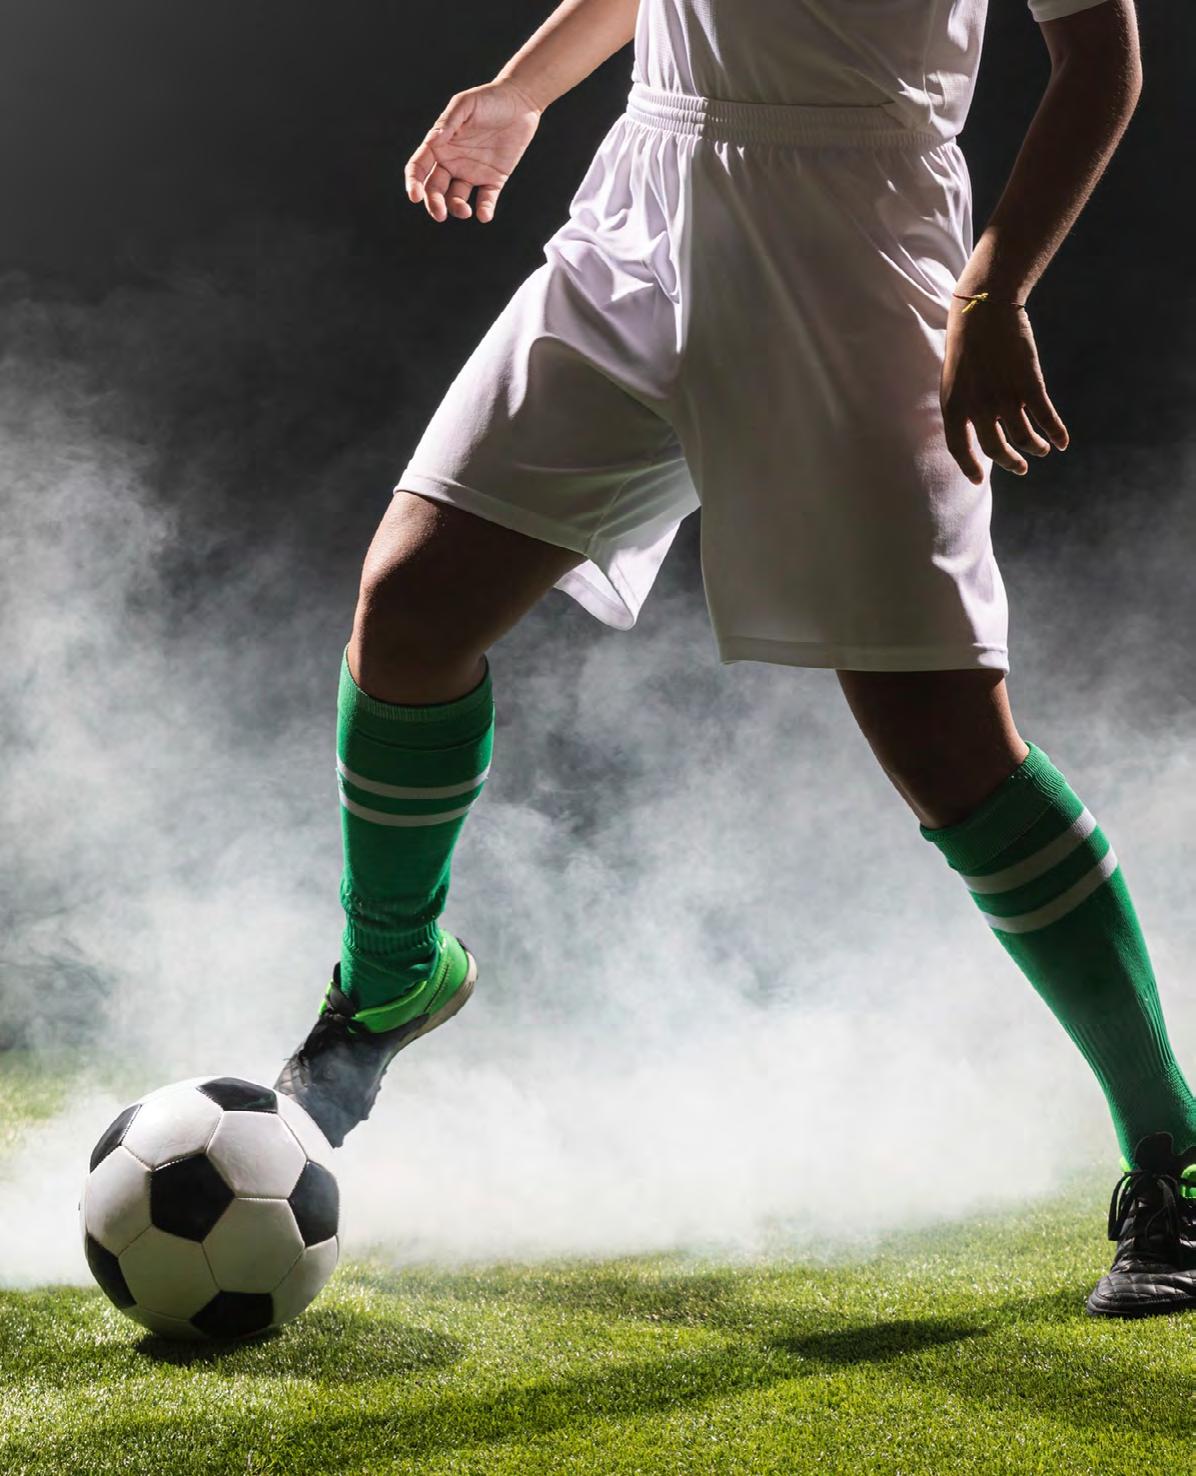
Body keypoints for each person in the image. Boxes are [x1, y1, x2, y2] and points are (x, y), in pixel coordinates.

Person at [275, 0, 1192, 1316]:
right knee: (411, 609)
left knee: (946, 744)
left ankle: (1179, 1155)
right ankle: (391, 976)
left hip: (855, 232)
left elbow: (1101, 51)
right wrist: (526, 89)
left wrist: (995, 289)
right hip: (645, 202)